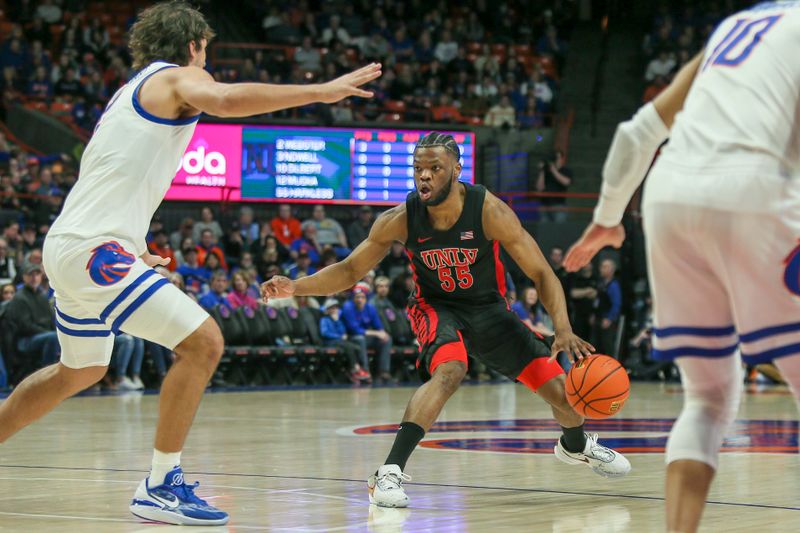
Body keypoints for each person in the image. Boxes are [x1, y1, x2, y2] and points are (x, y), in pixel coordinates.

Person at [0, 0, 382, 526]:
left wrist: (131, 249)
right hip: (90, 250)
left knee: (81, 368)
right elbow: (224, 98)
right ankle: (160, 485)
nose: (207, 61)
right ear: (194, 45)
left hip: (78, 245)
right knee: (204, 342)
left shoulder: (129, 95)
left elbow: (108, 182)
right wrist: (320, 90)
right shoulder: (176, 79)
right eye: (207, 50)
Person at [262, 132, 630, 509]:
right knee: (450, 370)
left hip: (489, 309)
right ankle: (387, 472)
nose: (424, 177)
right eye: (418, 169)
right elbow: (351, 269)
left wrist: (563, 328)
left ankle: (575, 445)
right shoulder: (401, 219)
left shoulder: (489, 211)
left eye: (434, 168)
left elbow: (542, 274)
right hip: (435, 306)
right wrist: (295, 287)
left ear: (456, 170)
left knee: (563, 394)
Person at [564, 5, 800, 531]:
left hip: (668, 195)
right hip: (756, 187)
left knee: (709, 399)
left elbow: (635, 134)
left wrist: (606, 219)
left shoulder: (736, 26)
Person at [5, 262, 59, 367]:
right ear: (24, 277)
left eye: (37, 274)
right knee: (53, 337)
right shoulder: (19, 298)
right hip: (25, 339)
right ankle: (46, 373)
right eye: (30, 275)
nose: (34, 278)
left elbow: (51, 318)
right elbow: (25, 326)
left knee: (62, 335)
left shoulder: (42, 295)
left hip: (43, 334)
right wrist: (48, 332)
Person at [341, 284, 393, 384]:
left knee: (387, 339)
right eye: (357, 297)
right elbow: (354, 329)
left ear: (366, 298)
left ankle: (383, 371)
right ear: (353, 298)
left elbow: (379, 326)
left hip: (366, 336)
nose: (360, 299)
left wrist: (382, 333)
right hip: (350, 338)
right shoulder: (348, 307)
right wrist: (376, 333)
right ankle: (365, 370)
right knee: (360, 338)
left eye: (362, 297)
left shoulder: (370, 308)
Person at [319, 298, 370, 383]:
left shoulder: (338, 320)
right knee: (349, 347)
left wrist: (337, 321)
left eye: (335, 308)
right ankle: (355, 369)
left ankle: (354, 369)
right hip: (329, 342)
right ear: (327, 310)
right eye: (332, 308)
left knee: (356, 347)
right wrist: (338, 336)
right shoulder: (324, 320)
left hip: (340, 342)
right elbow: (324, 333)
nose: (334, 310)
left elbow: (343, 331)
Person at [536, 150, 573, 223]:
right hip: (544, 205)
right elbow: (539, 188)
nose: (555, 160)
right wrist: (542, 170)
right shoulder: (545, 172)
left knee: (558, 229)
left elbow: (566, 182)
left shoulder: (566, 170)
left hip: (559, 205)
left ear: (562, 159)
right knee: (544, 229)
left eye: (557, 157)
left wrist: (553, 170)